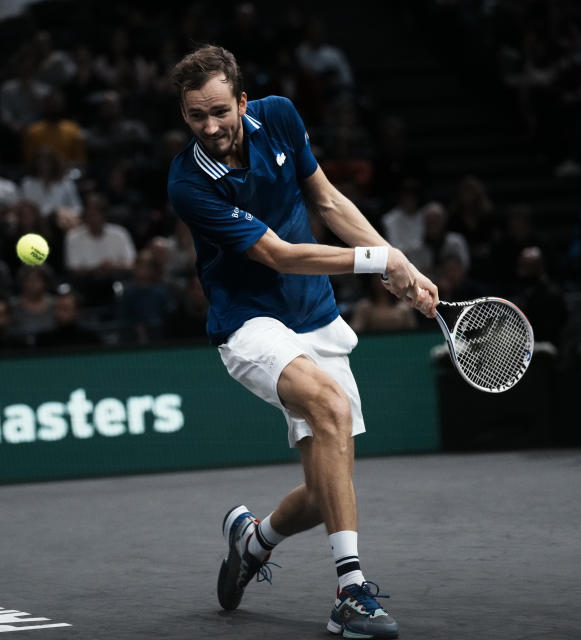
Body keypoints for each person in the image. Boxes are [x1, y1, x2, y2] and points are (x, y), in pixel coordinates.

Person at [167, 45, 438, 639]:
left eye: (218, 111)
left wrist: (403, 267)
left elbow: (328, 200)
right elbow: (280, 257)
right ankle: (351, 592)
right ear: (184, 116)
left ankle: (253, 540)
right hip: (250, 323)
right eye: (195, 116)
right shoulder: (189, 183)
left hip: (316, 315)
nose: (209, 126)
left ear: (242, 100)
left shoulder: (281, 116)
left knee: (325, 495)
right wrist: (375, 260)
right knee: (331, 407)